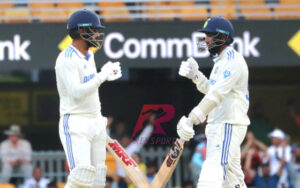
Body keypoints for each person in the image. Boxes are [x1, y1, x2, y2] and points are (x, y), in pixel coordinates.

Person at [176, 17, 250, 188]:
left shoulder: (232, 61)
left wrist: (191, 119)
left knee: (211, 174)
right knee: (233, 181)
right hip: (221, 125)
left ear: (223, 37)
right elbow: (213, 89)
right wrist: (195, 75)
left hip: (227, 124)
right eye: (205, 35)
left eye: (209, 35)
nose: (206, 40)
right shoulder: (221, 61)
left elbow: (216, 95)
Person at [55, 9, 122, 188]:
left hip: (95, 120)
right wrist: (102, 76)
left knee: (99, 179)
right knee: (82, 177)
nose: (98, 34)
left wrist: (106, 75)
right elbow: (76, 93)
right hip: (75, 122)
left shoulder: (89, 55)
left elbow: (90, 86)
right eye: (95, 30)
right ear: (82, 31)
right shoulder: (66, 58)